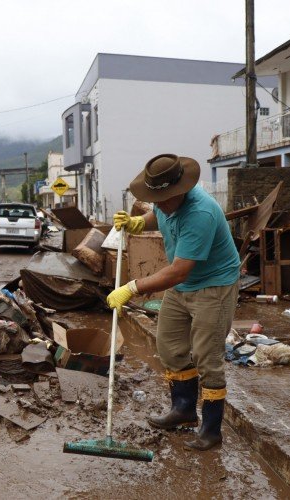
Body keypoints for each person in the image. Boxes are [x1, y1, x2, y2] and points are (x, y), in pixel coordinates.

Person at [107, 154, 240, 451]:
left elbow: (178, 271)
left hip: (213, 286)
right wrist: (138, 222)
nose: (160, 203)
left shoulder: (201, 213)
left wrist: (132, 287)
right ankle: (183, 410)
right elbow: (161, 213)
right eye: (156, 198)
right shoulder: (165, 199)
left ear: (180, 190)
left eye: (165, 198)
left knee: (207, 358)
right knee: (169, 346)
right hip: (183, 287)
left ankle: (211, 429)